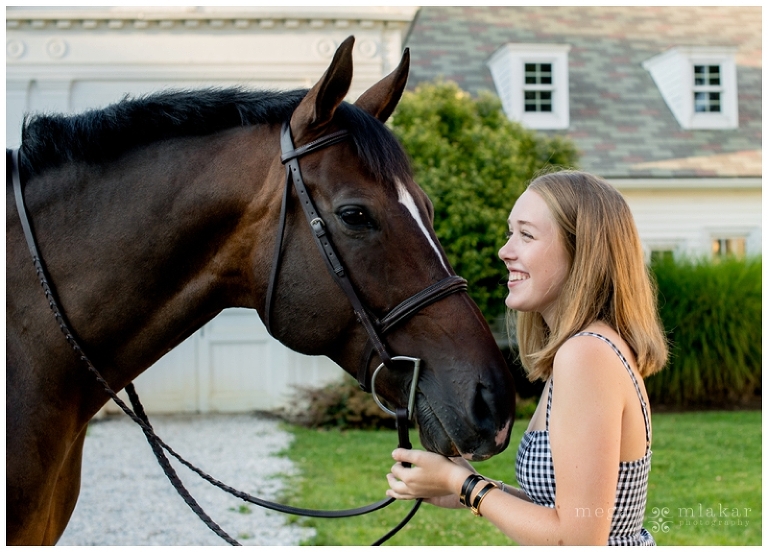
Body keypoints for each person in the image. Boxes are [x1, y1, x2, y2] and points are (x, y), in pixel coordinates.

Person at [386, 170, 668, 545]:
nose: (505, 250)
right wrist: (469, 490)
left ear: (581, 250)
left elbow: (578, 539)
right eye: (510, 233)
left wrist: (461, 482)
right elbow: (564, 510)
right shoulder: (588, 348)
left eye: (527, 234)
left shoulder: (586, 356)